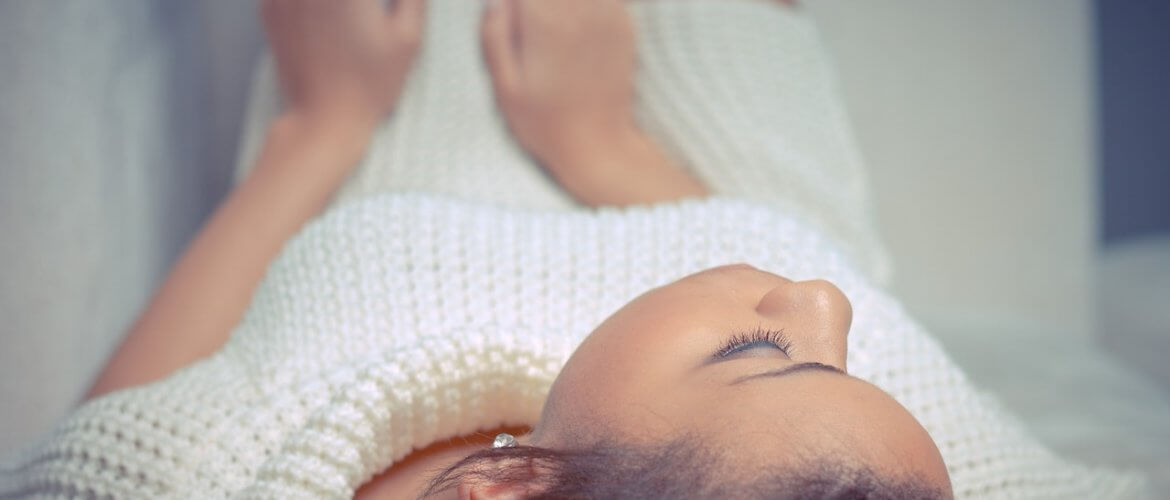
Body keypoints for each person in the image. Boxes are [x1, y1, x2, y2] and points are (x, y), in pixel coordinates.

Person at [1, 0, 1146, 498]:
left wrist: (319, 125)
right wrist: (605, 141)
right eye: (847, 362)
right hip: (715, 179)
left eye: (766, 346)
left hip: (391, 140)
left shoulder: (250, 467)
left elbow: (106, 446)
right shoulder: (900, 471)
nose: (826, 304)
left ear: (506, 482)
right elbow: (807, 264)